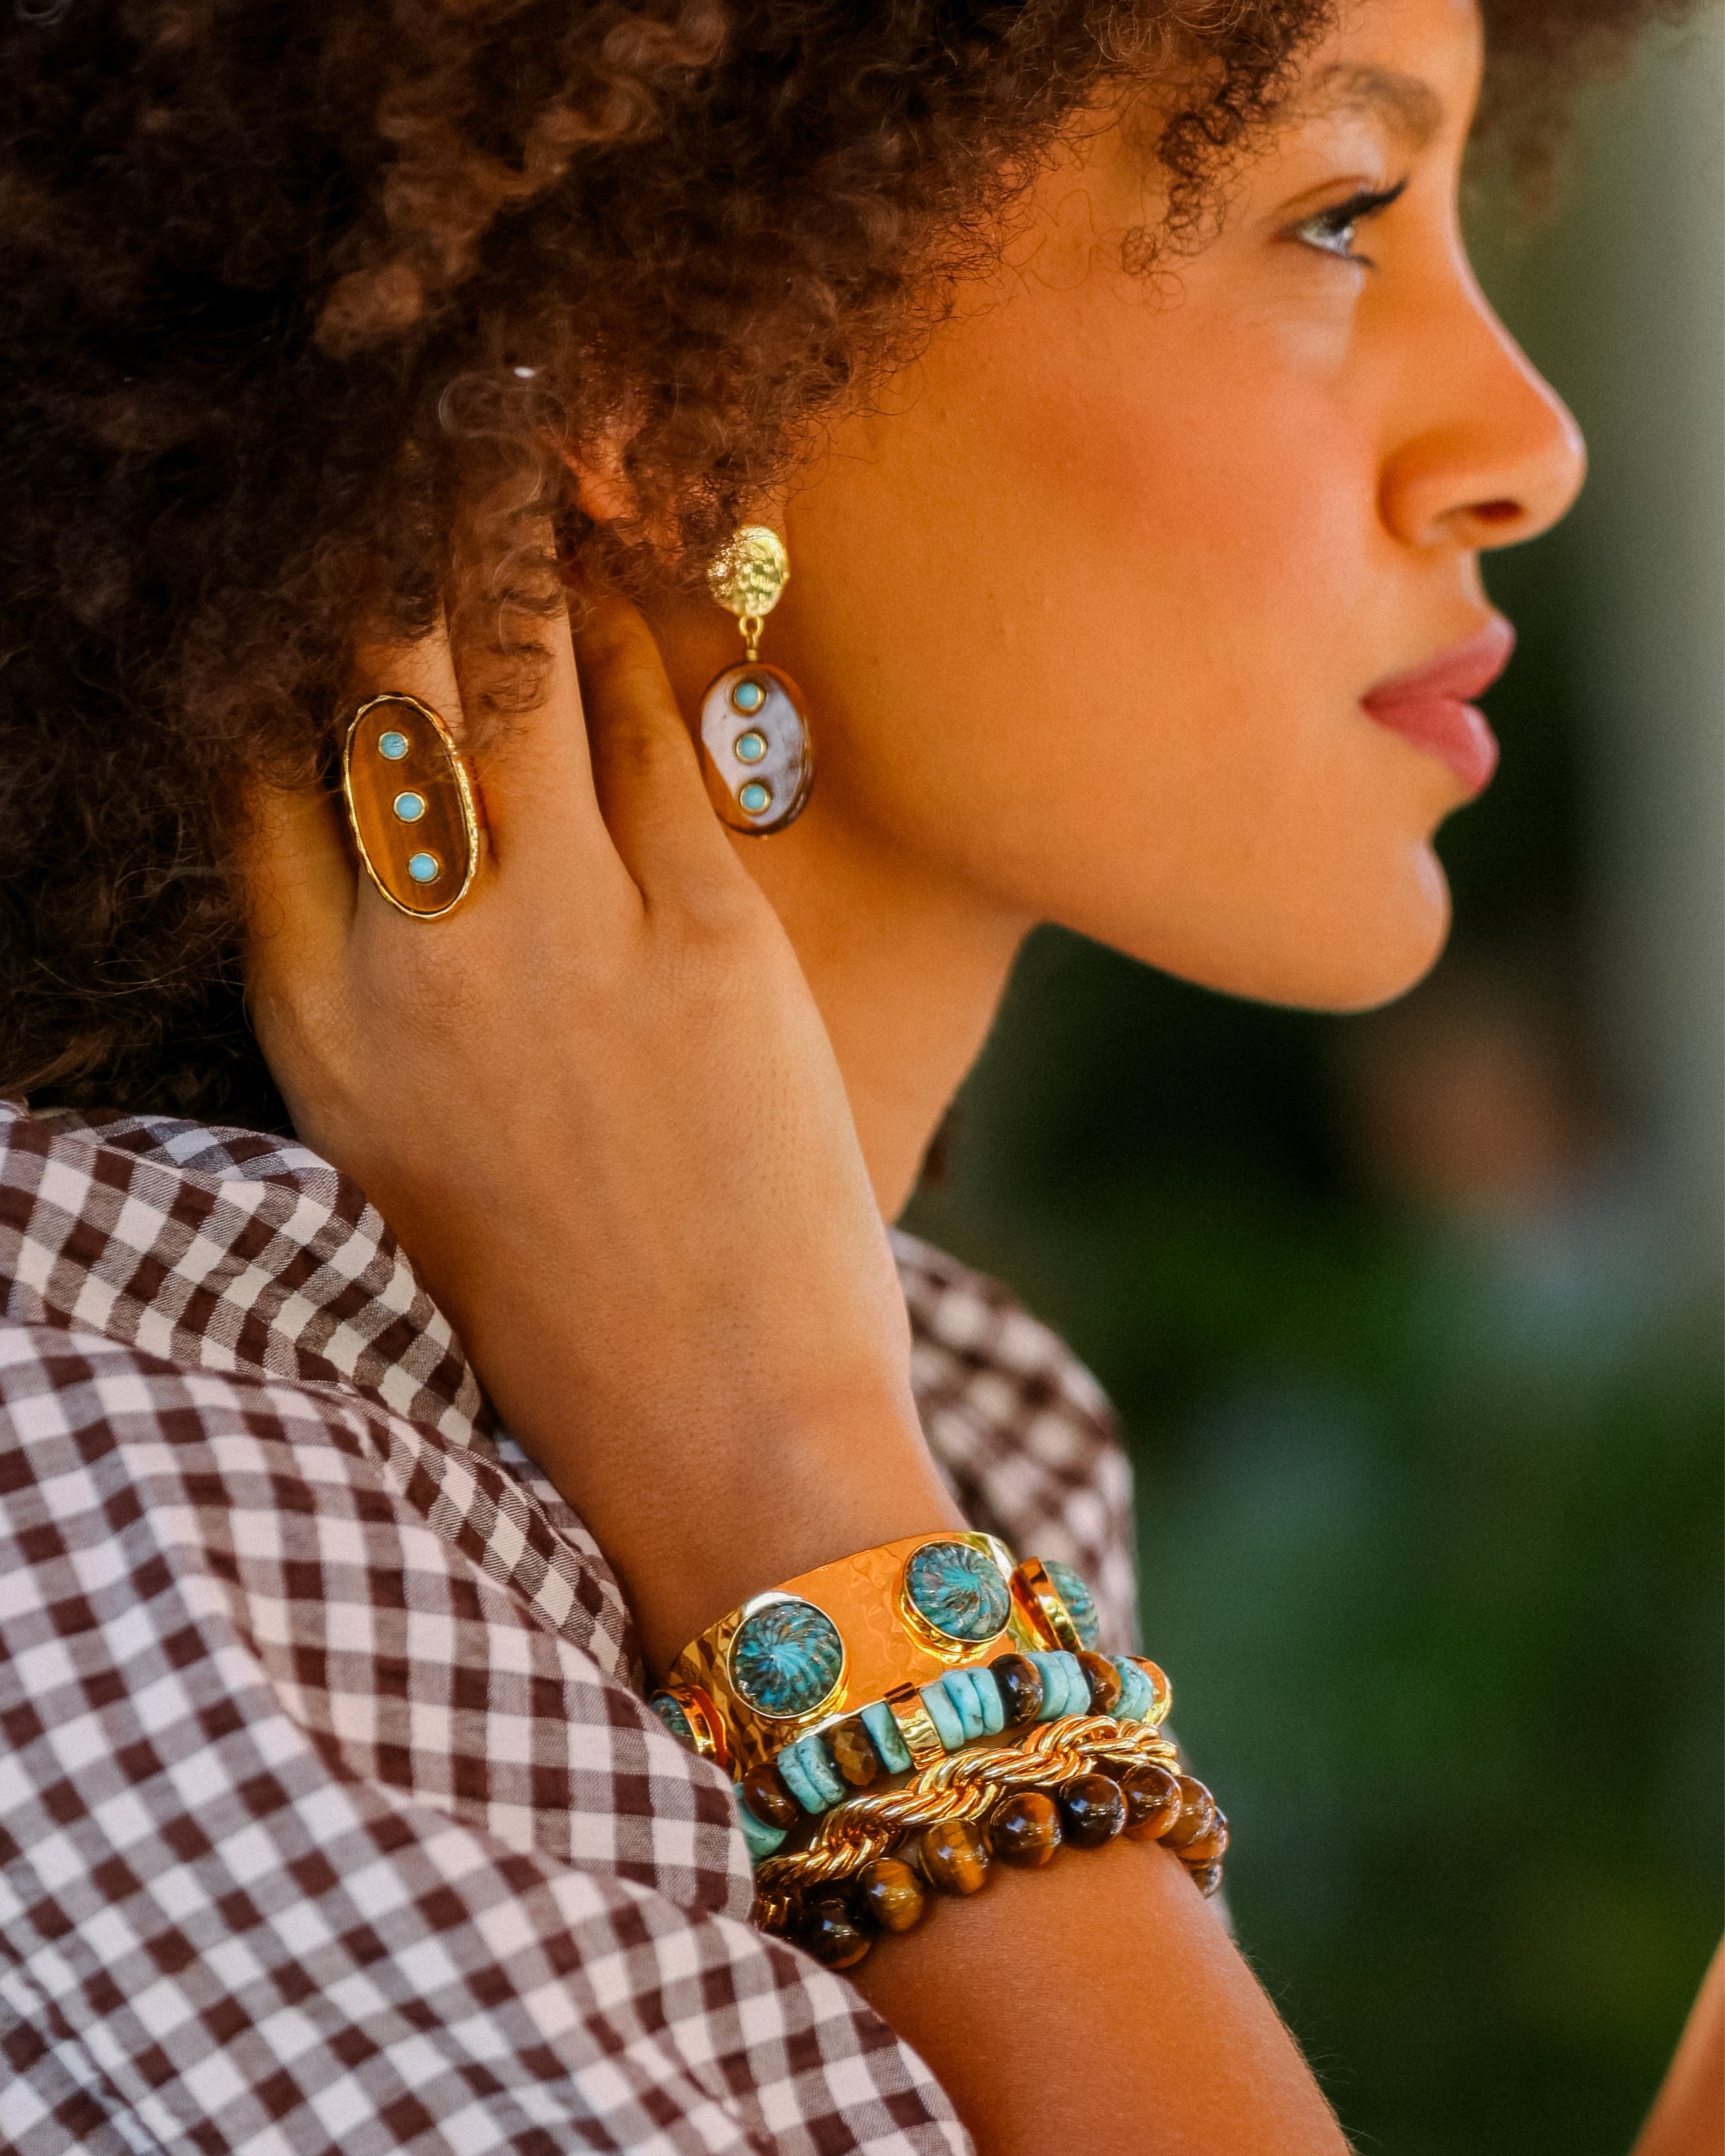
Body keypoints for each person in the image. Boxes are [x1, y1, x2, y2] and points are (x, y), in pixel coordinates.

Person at [0, 1, 1712, 2150]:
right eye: (1340, 213)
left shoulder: (974, 1420)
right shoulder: (125, 1507)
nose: (1527, 440)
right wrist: (794, 1491)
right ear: (664, 375)